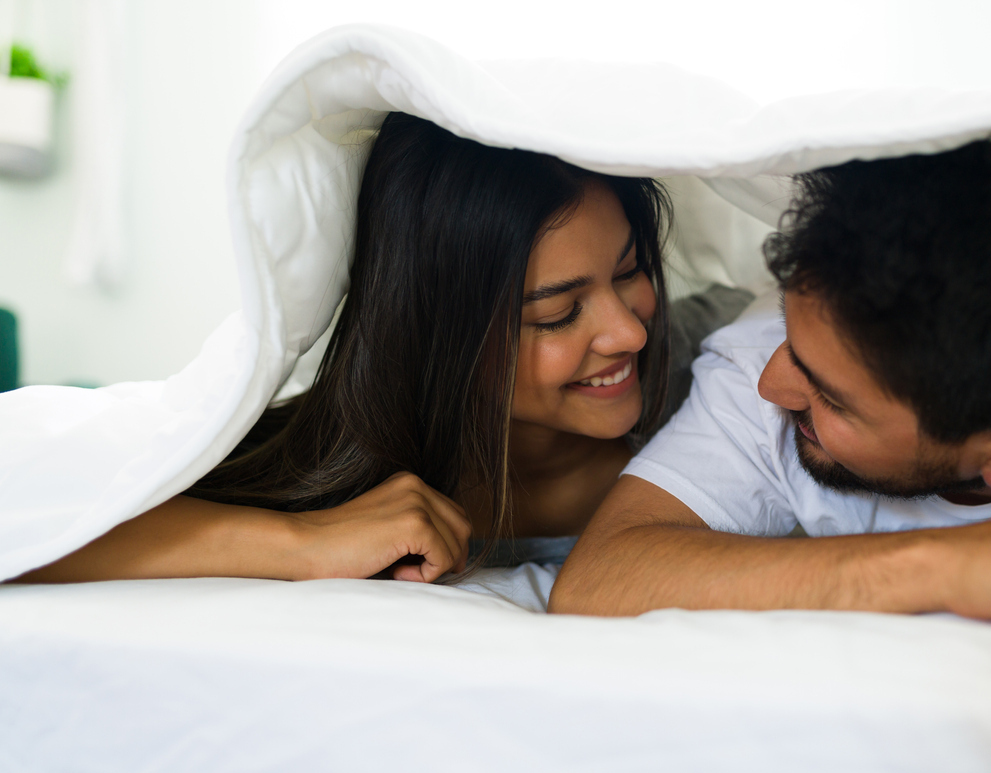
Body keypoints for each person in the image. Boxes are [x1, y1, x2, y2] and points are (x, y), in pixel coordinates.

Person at [550, 140, 991, 745]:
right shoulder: (801, 335)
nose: (773, 386)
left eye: (831, 398)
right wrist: (939, 564)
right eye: (789, 342)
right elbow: (600, 579)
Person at [14, 113, 753, 584]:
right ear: (439, 334)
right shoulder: (346, 467)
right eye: (557, 315)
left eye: (630, 271)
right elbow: (31, 517)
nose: (629, 332)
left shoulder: (736, 368)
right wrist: (298, 543)